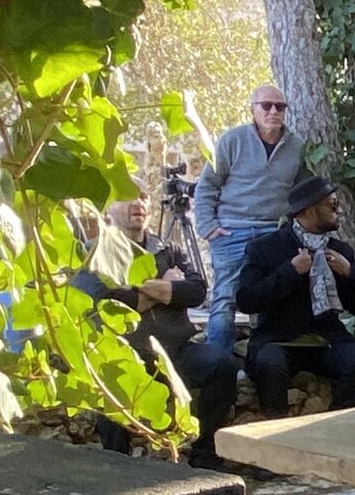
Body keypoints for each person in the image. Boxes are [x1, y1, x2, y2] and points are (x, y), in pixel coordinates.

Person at [71, 199, 239, 466]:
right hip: (123, 354)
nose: (138, 202)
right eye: (128, 197)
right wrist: (166, 287)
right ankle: (116, 464)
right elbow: (108, 301)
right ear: (108, 209)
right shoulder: (92, 253)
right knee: (108, 382)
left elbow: (196, 291)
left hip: (175, 350)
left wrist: (132, 286)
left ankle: (205, 455)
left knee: (223, 366)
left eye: (143, 196)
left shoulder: (168, 250)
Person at [233, 176, 355, 417]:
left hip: (327, 340)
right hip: (278, 338)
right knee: (269, 365)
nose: (339, 211)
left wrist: (349, 274)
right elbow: (246, 300)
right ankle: (276, 430)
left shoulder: (339, 251)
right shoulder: (264, 248)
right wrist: (290, 272)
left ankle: (331, 424)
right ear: (308, 210)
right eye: (332, 205)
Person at [197, 85, 309, 350]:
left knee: (272, 298)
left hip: (273, 231)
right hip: (231, 231)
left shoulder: (297, 147)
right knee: (225, 299)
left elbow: (302, 193)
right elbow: (207, 186)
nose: (273, 111)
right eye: (266, 105)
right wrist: (208, 227)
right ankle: (219, 363)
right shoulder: (231, 141)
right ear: (253, 109)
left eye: (280, 107)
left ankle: (264, 361)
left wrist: (293, 230)